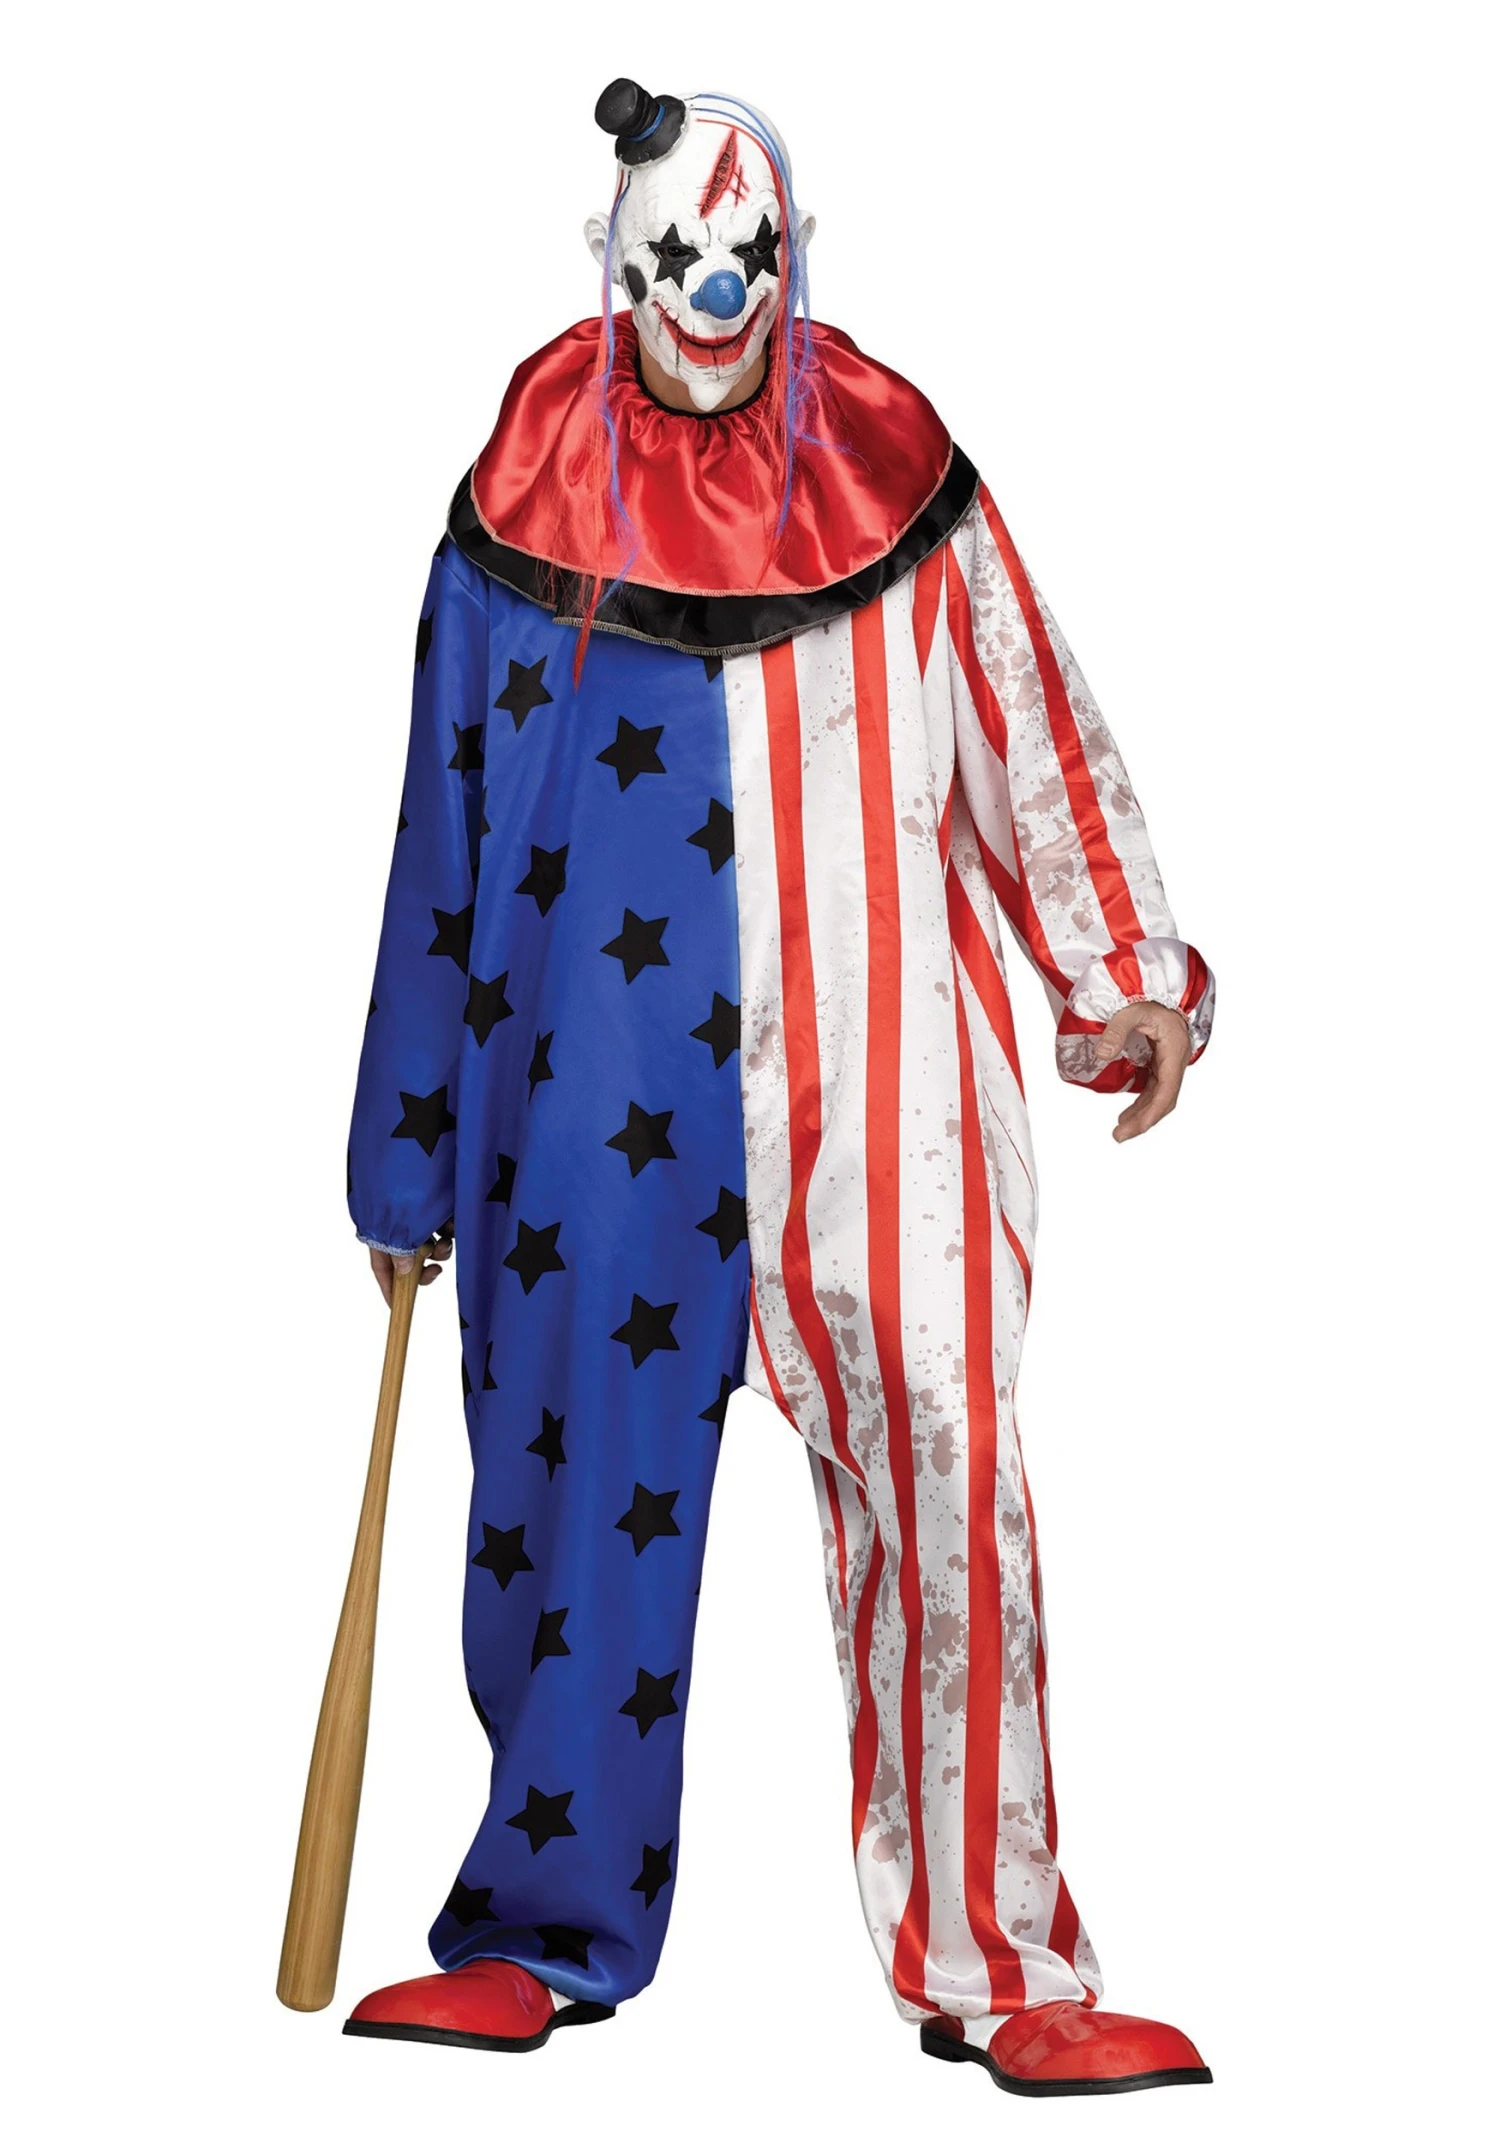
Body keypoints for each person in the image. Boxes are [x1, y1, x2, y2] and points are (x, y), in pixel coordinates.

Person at [340, 81, 1215, 2098]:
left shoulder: (900, 475)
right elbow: (440, 836)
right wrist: (405, 1145)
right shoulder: (520, 498)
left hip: (882, 1099)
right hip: (584, 1111)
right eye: (683, 262)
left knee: (949, 1489)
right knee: (561, 1503)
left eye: (754, 260)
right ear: (617, 267)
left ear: (796, 262)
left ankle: (1000, 1958)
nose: (719, 297)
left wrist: (1125, 976)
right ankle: (537, 1928)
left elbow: (1027, 720)